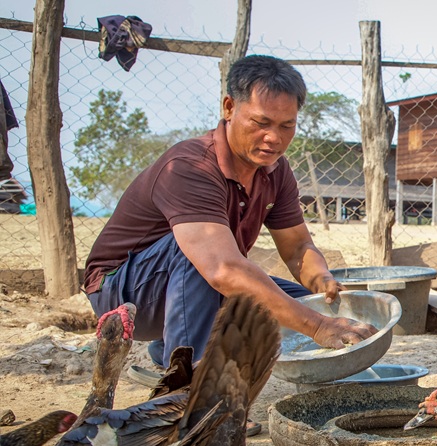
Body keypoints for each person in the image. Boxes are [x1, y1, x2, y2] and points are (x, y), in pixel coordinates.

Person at [84, 55, 376, 376]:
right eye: (261, 123)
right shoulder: (190, 165)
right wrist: (318, 326)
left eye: (287, 125)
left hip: (189, 285)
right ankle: (187, 380)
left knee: (306, 301)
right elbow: (221, 269)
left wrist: (323, 285)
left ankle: (169, 345)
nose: (274, 138)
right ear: (228, 108)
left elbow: (297, 248)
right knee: (207, 260)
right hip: (123, 293)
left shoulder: (275, 171)